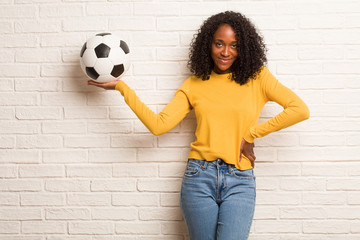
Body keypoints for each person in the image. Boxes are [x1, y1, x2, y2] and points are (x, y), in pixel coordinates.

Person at [88, 11, 310, 240]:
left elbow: (299, 109)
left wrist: (251, 134)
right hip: (199, 177)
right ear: (208, 45)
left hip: (240, 181)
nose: (225, 52)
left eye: (234, 45)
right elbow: (158, 125)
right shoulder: (193, 85)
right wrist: (122, 88)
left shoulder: (259, 78)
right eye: (219, 44)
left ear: (244, 47)